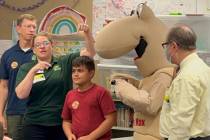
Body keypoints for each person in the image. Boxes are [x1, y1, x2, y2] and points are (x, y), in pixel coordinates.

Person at [15, 24, 95, 140]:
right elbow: (21, 94)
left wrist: (87, 33)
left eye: (46, 43)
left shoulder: (64, 61)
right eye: (38, 45)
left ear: (52, 45)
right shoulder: (27, 68)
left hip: (61, 123)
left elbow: (90, 54)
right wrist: (33, 71)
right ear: (33, 49)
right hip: (34, 124)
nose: (42, 47)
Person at [160, 24, 210, 140]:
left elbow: (180, 124)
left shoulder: (186, 77)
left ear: (173, 46)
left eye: (166, 46)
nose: (166, 50)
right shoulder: (203, 68)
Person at [61, 56, 117, 140]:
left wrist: (90, 137)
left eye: (80, 70)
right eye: (73, 71)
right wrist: (69, 135)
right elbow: (66, 121)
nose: (75, 74)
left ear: (91, 73)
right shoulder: (70, 94)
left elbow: (111, 120)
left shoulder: (101, 92)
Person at [0, 14, 37, 140]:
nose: (32, 30)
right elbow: (4, 86)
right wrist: (0, 113)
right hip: (14, 111)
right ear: (18, 28)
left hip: (36, 110)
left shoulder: (40, 53)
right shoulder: (8, 55)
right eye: (28, 26)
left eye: (34, 27)